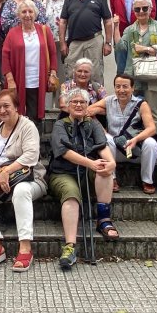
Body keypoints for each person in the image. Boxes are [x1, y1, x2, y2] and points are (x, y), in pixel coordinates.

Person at [0, 90, 47, 272]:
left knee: (21, 190)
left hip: (31, 178)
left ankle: (25, 247)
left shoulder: (27, 126)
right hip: (2, 180)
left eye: (6, 106)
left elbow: (31, 155)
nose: (2, 110)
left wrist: (6, 171)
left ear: (16, 107)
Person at [50, 89, 118, 269]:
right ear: (68, 105)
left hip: (87, 170)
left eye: (82, 102)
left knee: (104, 169)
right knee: (71, 194)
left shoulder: (93, 124)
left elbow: (102, 146)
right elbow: (65, 152)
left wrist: (111, 163)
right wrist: (91, 163)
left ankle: (103, 219)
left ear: (88, 105)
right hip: (63, 172)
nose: (79, 105)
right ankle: (70, 246)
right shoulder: (60, 125)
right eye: (75, 102)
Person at [88, 74, 157, 194]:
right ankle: (112, 178)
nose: (121, 90)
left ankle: (147, 180)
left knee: (151, 143)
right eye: (118, 86)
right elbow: (87, 111)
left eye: (125, 86)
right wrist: (100, 111)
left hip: (135, 150)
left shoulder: (141, 104)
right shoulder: (109, 101)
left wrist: (136, 139)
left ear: (132, 88)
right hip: (115, 150)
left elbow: (152, 129)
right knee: (106, 139)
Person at [115, 0, 157, 130]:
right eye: (137, 9)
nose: (141, 12)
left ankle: (153, 147)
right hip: (133, 76)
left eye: (145, 8)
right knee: (130, 113)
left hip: (152, 77)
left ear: (151, 9)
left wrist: (147, 49)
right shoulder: (129, 30)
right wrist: (116, 28)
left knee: (152, 114)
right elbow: (121, 47)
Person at [2, 0, 57, 124]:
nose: (27, 15)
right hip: (18, 79)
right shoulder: (12, 33)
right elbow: (5, 56)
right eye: (24, 12)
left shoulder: (44, 30)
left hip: (38, 79)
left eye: (30, 12)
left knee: (35, 114)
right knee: (16, 113)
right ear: (18, 15)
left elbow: (53, 53)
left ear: (35, 14)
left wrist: (53, 74)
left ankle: (34, 140)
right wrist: (10, 80)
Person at [59, 0, 113, 86]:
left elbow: (108, 21)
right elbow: (63, 22)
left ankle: (98, 102)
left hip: (94, 41)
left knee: (95, 74)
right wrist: (62, 43)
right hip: (74, 43)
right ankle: (72, 101)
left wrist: (108, 43)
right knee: (71, 73)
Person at [109, 0, 157, 74]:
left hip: (142, 32)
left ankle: (139, 91)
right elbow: (113, 10)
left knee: (142, 67)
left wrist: (148, 29)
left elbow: (153, 9)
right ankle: (123, 89)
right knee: (122, 66)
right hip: (122, 33)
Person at [34, 0, 70, 101]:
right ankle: (47, 105)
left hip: (63, 41)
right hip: (43, 41)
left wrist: (64, 43)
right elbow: (34, 18)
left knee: (62, 72)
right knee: (45, 72)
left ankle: (61, 102)